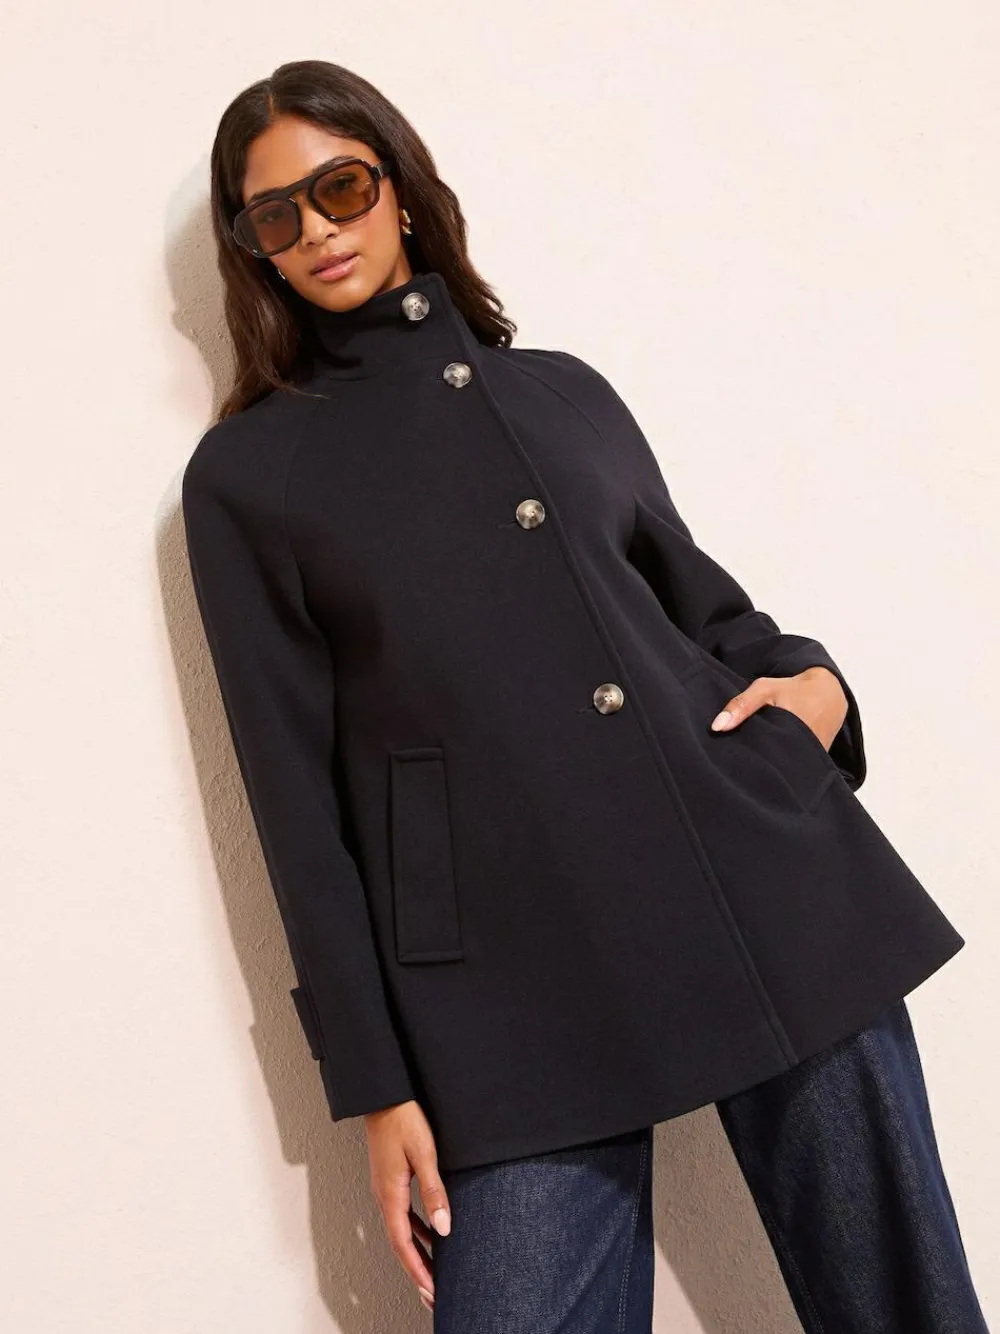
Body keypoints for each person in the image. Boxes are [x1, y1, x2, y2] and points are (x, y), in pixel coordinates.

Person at [180, 58, 989, 1332]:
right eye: (273, 216)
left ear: (400, 188)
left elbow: (706, 613)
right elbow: (295, 804)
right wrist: (376, 1082)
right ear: (254, 252)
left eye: (341, 188)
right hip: (501, 990)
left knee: (905, 1304)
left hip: (753, 888)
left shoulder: (559, 392)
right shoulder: (246, 475)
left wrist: (815, 689)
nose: (317, 231)